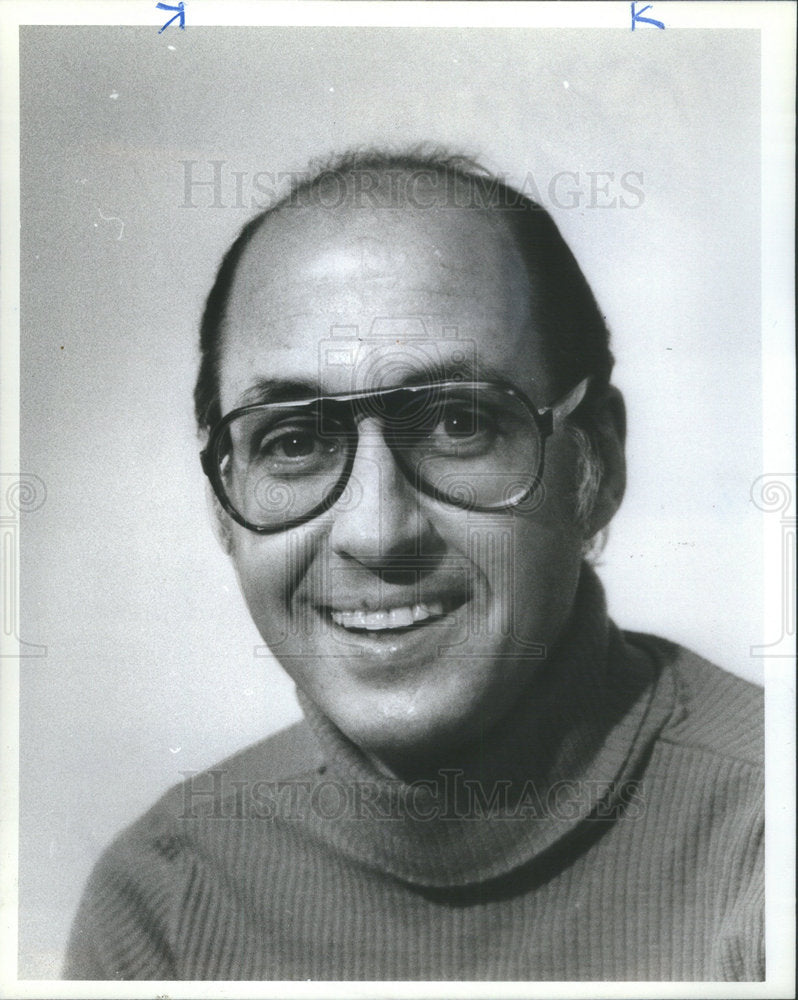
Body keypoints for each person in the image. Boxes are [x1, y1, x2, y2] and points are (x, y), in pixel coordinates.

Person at [64, 150, 764, 981]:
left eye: (460, 424)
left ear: (596, 465)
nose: (376, 530)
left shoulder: (765, 839)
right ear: (223, 506)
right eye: (293, 441)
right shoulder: (164, 902)